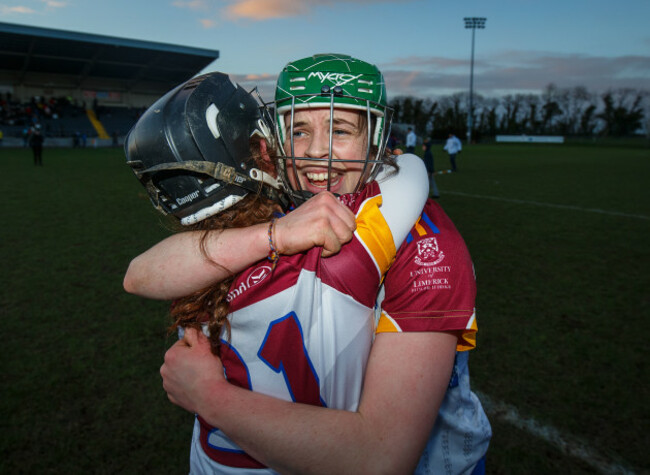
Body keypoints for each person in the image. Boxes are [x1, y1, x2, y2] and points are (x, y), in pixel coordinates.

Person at [129, 54, 490, 474]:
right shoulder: (269, 206)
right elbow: (139, 275)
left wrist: (207, 395)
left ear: (374, 139)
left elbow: (382, 456)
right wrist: (273, 236)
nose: (317, 151)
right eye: (299, 130)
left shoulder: (424, 243)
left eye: (339, 129)